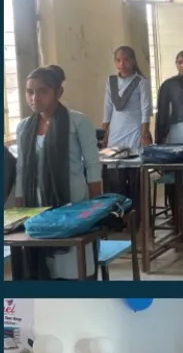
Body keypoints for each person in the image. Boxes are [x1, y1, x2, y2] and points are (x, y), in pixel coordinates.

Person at [10, 66, 103, 279]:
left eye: (43, 91)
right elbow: (22, 168)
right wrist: (20, 208)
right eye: (29, 91)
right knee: (43, 268)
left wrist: (96, 209)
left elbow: (93, 165)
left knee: (73, 267)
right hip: (38, 207)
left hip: (72, 205)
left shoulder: (78, 122)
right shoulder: (24, 127)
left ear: (58, 93)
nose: (35, 97)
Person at [155, 49, 183, 227]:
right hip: (174, 134)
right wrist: (160, 139)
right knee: (174, 177)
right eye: (180, 62)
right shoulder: (168, 85)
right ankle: (176, 214)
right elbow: (162, 113)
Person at [101, 45, 152, 199]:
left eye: (126, 60)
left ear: (133, 61)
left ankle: (137, 217)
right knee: (116, 177)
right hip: (116, 133)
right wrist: (104, 134)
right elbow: (107, 109)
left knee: (135, 177)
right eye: (118, 60)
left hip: (135, 131)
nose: (122, 64)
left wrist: (144, 133)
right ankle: (120, 218)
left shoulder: (141, 82)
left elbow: (145, 109)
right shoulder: (111, 82)